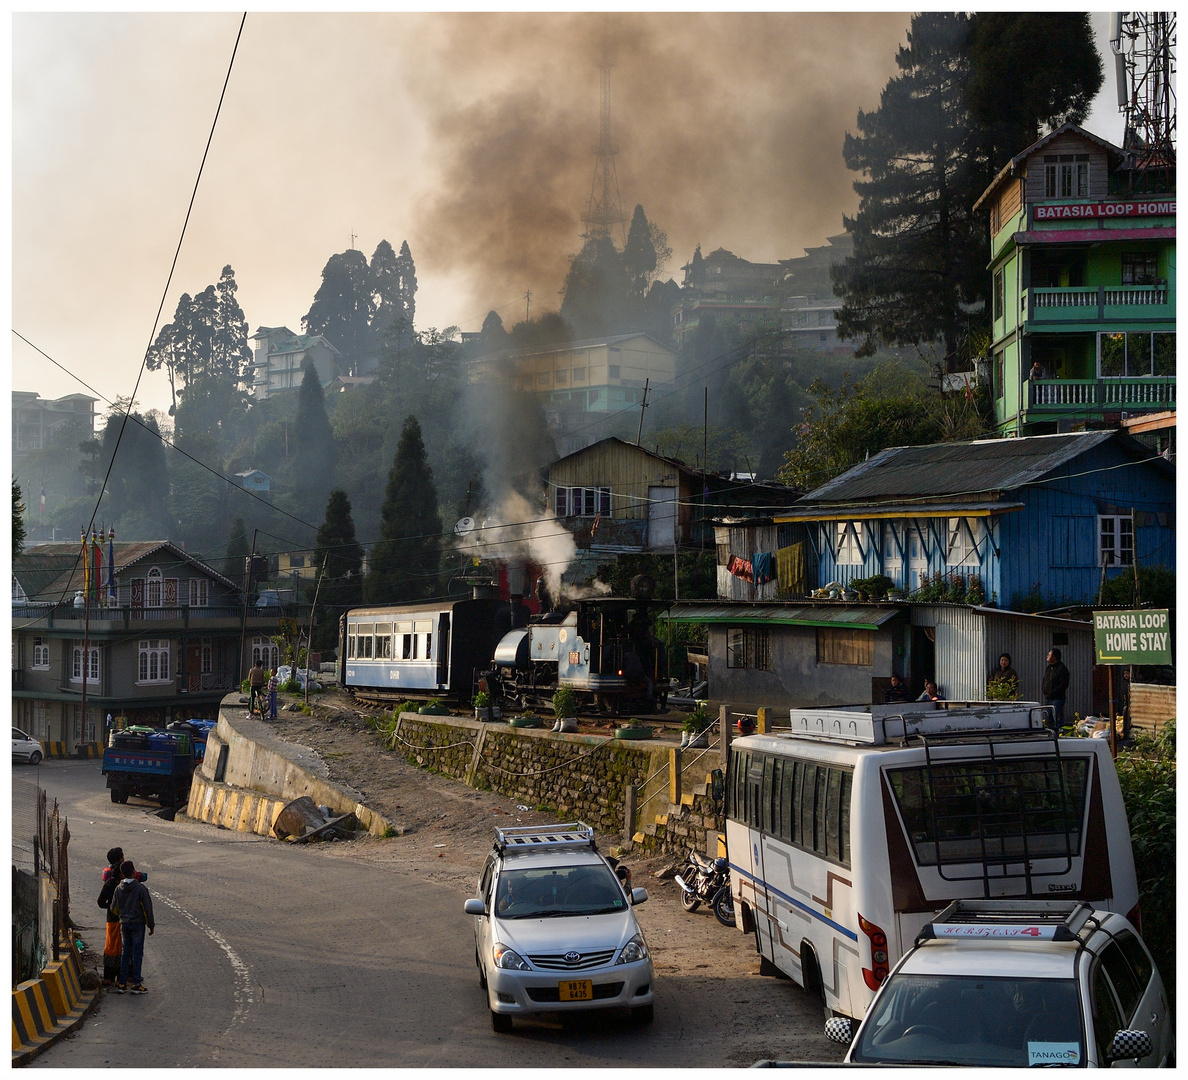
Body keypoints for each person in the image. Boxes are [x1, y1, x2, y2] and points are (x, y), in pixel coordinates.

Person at [111, 859, 154, 995]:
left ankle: (122, 983)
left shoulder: (118, 889)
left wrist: (123, 916)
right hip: (137, 924)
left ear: (122, 874)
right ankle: (136, 983)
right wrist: (151, 925)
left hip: (124, 923)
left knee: (125, 953)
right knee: (137, 953)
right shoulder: (140, 888)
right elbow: (147, 908)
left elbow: (114, 908)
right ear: (134, 872)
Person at [1042, 648, 1070, 731]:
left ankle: (1058, 733)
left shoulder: (1062, 668)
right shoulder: (1048, 668)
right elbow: (1045, 680)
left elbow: (1064, 684)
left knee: (1057, 716)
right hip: (1048, 698)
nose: (1047, 656)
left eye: (1049, 654)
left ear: (1054, 657)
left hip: (1057, 698)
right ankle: (1050, 732)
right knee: (1048, 717)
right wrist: (1044, 689)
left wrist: (1053, 692)